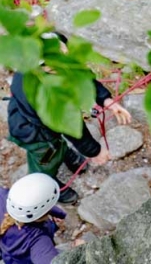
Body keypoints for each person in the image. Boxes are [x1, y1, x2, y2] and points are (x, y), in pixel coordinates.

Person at [7, 34, 132, 204]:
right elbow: (72, 128)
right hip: (33, 132)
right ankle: (48, 186)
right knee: (46, 159)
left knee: (59, 144)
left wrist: (106, 100)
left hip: (43, 120)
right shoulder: (44, 92)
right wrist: (94, 151)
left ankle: (67, 155)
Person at [1, 173, 65, 264]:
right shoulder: (38, 240)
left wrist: (60, 214)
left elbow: (36, 207)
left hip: (8, 254)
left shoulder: (3, 196)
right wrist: (83, 250)